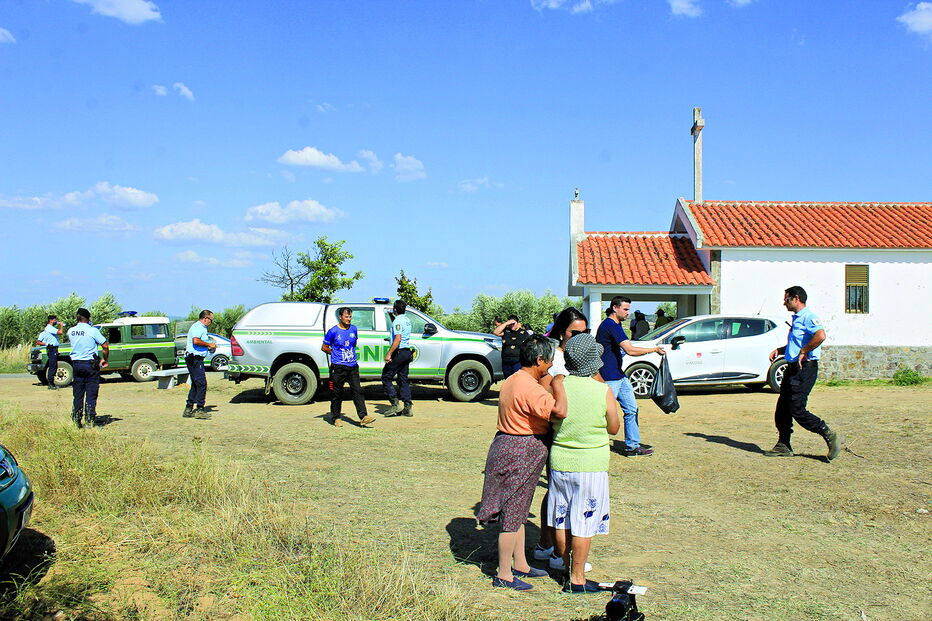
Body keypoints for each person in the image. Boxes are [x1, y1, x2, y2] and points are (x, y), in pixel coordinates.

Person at [476, 335, 567, 591]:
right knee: (512, 513)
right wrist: (558, 384)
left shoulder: (514, 379)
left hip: (507, 444)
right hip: (521, 448)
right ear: (539, 359)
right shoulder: (530, 388)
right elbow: (559, 411)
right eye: (549, 360)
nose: (551, 365)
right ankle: (504, 573)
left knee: (518, 510)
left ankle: (521, 564)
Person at [548, 332, 620, 593]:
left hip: (561, 460)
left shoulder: (558, 386)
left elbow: (551, 419)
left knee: (562, 518)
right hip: (591, 463)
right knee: (584, 522)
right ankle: (577, 578)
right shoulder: (602, 391)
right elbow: (614, 428)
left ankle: (567, 569)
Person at [533, 307, 594, 570]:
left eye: (585, 331)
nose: (581, 336)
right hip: (555, 430)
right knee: (558, 492)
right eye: (574, 332)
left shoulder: (586, 354)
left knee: (564, 492)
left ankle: (551, 545)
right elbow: (543, 391)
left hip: (576, 432)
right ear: (561, 332)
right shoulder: (552, 357)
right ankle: (554, 549)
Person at [764, 286, 841, 461]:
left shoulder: (809, 317)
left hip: (804, 369)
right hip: (792, 369)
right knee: (782, 409)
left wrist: (804, 351)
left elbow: (820, 336)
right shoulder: (797, 319)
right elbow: (797, 344)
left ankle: (828, 434)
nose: (784, 303)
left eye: (786, 299)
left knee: (797, 409)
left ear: (796, 298)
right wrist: (780, 350)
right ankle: (783, 445)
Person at [596, 296, 665, 457]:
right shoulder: (610, 325)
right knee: (603, 413)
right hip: (609, 377)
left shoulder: (615, 325)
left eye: (629, 309)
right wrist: (654, 350)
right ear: (615, 308)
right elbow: (630, 350)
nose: (628, 313)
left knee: (632, 409)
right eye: (625, 309)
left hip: (619, 376)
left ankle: (632, 446)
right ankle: (596, 444)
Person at [322, 307, 376, 427]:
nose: (349, 319)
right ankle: (336, 417)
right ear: (340, 317)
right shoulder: (333, 331)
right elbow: (324, 347)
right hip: (338, 367)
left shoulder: (354, 329)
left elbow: (353, 344)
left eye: (350, 317)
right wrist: (335, 353)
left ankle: (363, 416)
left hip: (352, 366)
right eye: (346, 317)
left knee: (358, 391)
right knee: (336, 393)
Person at [67, 308, 108, 428]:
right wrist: (104, 359)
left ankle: (76, 419)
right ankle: (90, 420)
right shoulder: (92, 330)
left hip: (76, 364)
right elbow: (105, 346)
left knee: (78, 394)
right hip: (90, 365)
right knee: (91, 393)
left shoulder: (71, 331)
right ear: (88, 318)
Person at [383, 299, 414, 417]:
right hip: (406, 352)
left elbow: (397, 339)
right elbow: (399, 327)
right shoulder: (406, 320)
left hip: (399, 352)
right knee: (403, 379)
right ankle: (407, 407)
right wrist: (392, 315)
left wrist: (389, 353)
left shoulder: (397, 321)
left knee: (386, 377)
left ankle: (395, 404)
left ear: (395, 309)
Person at [183, 310, 215, 420]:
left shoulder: (202, 328)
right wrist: (209, 344)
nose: (211, 322)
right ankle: (200, 409)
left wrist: (208, 347)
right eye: (211, 320)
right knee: (201, 383)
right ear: (205, 318)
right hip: (194, 358)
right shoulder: (198, 327)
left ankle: (188, 408)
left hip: (196, 358)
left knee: (196, 384)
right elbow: (196, 341)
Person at [36, 314, 63, 390]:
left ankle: (52, 383)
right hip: (52, 349)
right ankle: (50, 383)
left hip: (53, 349)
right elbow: (60, 332)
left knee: (54, 366)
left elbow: (39, 341)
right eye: (55, 320)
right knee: (53, 366)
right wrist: (61, 325)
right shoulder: (50, 328)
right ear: (51, 320)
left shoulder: (48, 329)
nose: (56, 321)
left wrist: (46, 343)